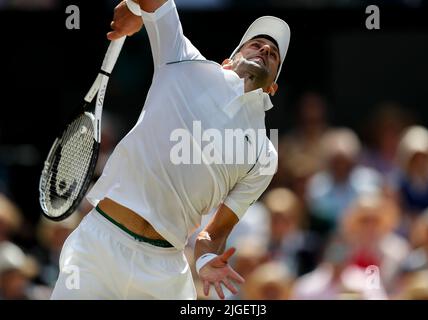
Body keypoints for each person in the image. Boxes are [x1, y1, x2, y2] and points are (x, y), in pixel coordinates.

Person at [51, 0, 290, 300]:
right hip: (99, 247)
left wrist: (204, 259)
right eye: (256, 44)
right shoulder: (183, 60)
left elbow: (214, 234)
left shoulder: (265, 156)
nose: (265, 51)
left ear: (273, 89)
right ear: (227, 61)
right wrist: (138, 10)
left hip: (164, 273)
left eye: (274, 55)